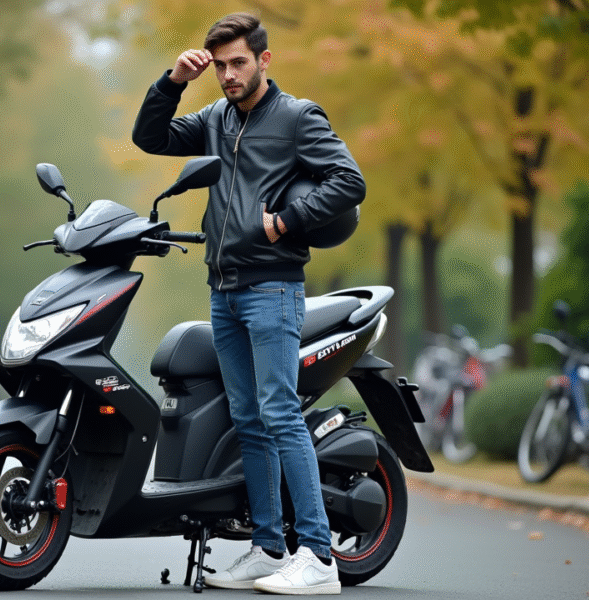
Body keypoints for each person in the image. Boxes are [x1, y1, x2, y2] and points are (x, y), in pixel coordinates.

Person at [132, 12, 365, 596]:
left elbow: (348, 180)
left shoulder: (296, 117)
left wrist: (287, 221)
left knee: (280, 414)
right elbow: (150, 138)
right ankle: (267, 548)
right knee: (251, 422)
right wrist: (172, 82)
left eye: (239, 63)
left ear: (264, 60)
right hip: (226, 291)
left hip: (273, 288)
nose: (229, 75)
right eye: (220, 66)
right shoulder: (213, 119)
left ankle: (318, 558)